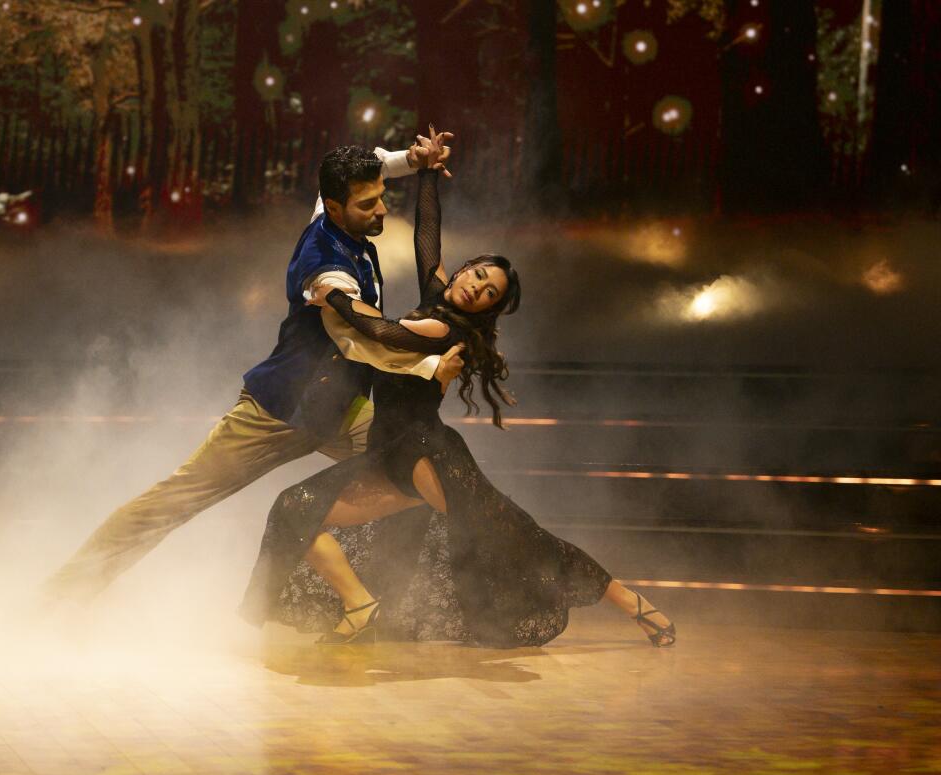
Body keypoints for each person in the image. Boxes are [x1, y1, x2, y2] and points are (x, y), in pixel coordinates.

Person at [239, 128, 675, 648]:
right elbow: (427, 241)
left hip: (427, 453)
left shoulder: (448, 330)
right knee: (295, 507)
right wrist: (427, 174)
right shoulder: (437, 298)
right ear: (466, 270)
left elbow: (381, 331)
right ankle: (361, 605)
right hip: (386, 453)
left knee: (514, 535)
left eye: (488, 292)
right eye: (477, 275)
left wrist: (329, 293)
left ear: (487, 307)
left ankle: (630, 601)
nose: (475, 287)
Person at [41, 141, 465, 605]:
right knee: (176, 499)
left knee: (422, 463)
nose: (382, 209)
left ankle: (407, 600)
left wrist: (413, 161)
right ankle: (59, 597)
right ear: (337, 207)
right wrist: (429, 364)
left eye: (382, 197)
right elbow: (366, 340)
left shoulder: (333, 206)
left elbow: (373, 165)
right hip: (278, 411)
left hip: (339, 409)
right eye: (368, 204)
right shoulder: (327, 271)